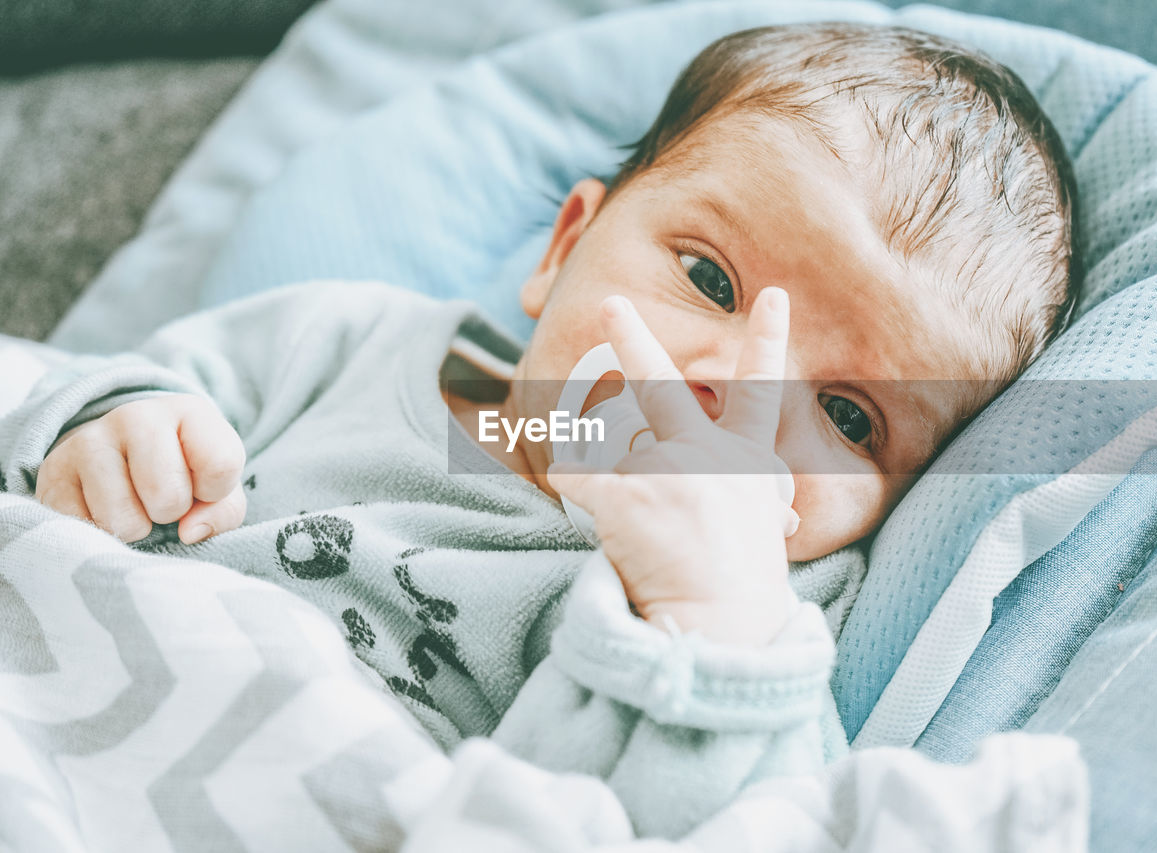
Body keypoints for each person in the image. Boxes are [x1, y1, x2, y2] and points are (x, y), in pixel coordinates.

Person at [0, 22, 1077, 838]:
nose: (726, 394)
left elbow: (732, 815)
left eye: (845, 416)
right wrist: (112, 430)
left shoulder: (775, 604)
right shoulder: (350, 339)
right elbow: (96, 395)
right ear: (563, 249)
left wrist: (709, 608)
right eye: (707, 280)